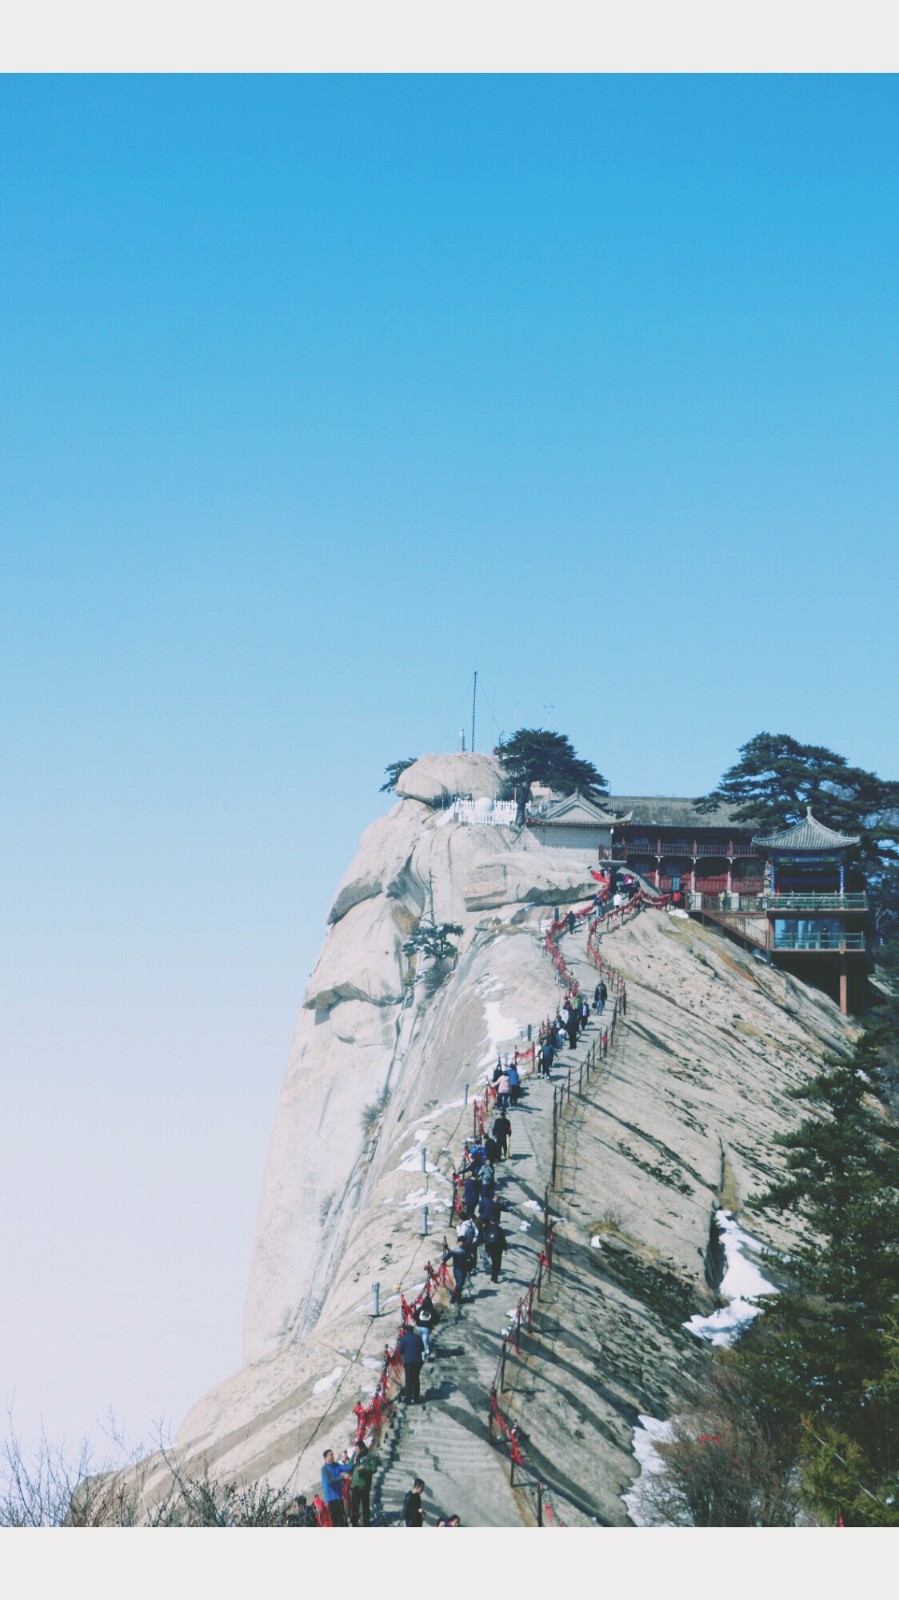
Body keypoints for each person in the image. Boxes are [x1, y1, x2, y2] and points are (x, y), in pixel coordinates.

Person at [350, 1442, 379, 1527]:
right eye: (355, 1448)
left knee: (365, 1506)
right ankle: (354, 1523)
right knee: (355, 1505)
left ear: (362, 1448)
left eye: (357, 1449)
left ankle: (366, 1523)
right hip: (354, 1485)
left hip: (364, 1486)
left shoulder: (370, 1456)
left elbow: (374, 1468)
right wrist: (351, 1458)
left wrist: (365, 1468)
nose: (356, 1450)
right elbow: (349, 1464)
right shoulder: (355, 1455)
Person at [320, 1449, 352, 1526]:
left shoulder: (336, 1465)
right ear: (326, 1457)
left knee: (343, 1518)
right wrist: (342, 1477)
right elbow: (330, 1480)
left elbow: (346, 1468)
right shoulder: (324, 1469)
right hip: (331, 1499)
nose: (333, 1456)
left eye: (333, 1454)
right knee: (336, 1520)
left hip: (339, 1496)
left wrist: (355, 1463)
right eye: (331, 1455)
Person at [397, 1322, 425, 1404]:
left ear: (405, 1331)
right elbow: (422, 1349)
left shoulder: (404, 1339)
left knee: (408, 1381)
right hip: (418, 1361)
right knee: (416, 1380)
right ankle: (416, 1399)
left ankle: (408, 1399)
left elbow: (400, 1351)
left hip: (409, 1361)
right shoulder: (418, 1338)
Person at [483, 1218, 508, 1283]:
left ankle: (493, 1277)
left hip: (490, 1249)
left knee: (494, 1263)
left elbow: (486, 1239)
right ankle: (494, 1278)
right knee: (497, 1264)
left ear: (491, 1221)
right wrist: (505, 1248)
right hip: (497, 1249)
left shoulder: (488, 1229)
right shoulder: (499, 1229)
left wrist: (486, 1249)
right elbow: (503, 1240)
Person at [415, 1292, 435, 1359]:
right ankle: (426, 1351)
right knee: (425, 1339)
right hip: (426, 1328)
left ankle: (420, 1350)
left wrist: (418, 1321)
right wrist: (432, 1324)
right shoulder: (432, 1310)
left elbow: (415, 1315)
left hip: (418, 1327)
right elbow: (435, 1319)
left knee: (421, 1339)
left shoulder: (420, 1309)